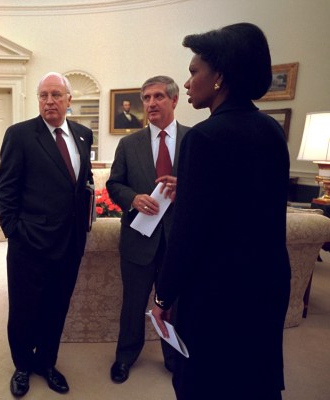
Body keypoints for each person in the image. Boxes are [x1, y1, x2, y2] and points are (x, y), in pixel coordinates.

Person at [151, 23, 290, 400]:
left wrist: (163, 297)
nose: (188, 81)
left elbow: (187, 233)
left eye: (194, 71)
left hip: (217, 292)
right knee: (253, 380)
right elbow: (251, 203)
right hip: (266, 283)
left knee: (206, 382)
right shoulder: (271, 130)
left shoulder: (203, 137)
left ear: (219, 77)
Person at [0, 72, 94, 397]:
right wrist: (14, 231)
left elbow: (81, 184)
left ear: (69, 100)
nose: (49, 101)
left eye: (56, 95)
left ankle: (47, 363)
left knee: (56, 307)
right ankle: (23, 366)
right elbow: (5, 189)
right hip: (29, 243)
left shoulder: (83, 135)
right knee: (24, 310)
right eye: (43, 95)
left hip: (70, 243)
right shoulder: (20, 135)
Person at [106, 76, 190, 383]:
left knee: (175, 304)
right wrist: (133, 199)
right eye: (146, 98)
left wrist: (185, 187)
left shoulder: (194, 140)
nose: (151, 103)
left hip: (179, 240)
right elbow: (114, 184)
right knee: (133, 303)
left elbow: (210, 186)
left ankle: (174, 357)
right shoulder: (129, 144)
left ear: (174, 100)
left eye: (158, 96)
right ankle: (125, 356)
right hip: (138, 239)